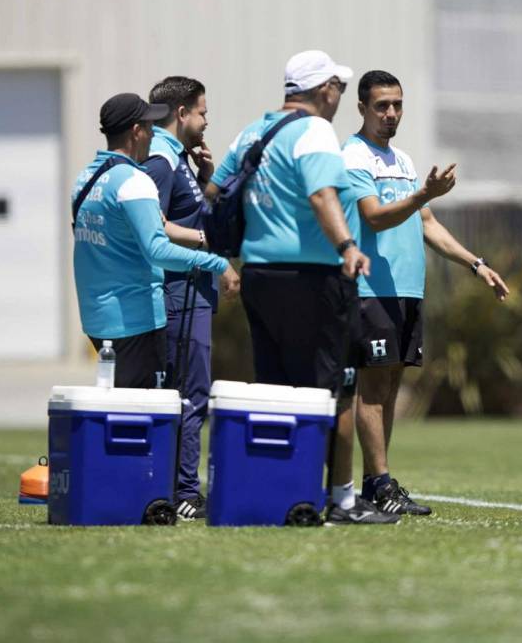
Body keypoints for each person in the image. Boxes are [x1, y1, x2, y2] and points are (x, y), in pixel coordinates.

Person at [206, 50, 397, 526]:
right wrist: (348, 245)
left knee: (277, 391)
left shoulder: (254, 131)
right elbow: (321, 194)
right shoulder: (313, 131)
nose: (338, 97)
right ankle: (341, 501)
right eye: (337, 87)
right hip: (311, 279)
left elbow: (215, 192)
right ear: (325, 89)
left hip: (260, 277)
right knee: (334, 391)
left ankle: (282, 493)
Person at [343, 70, 509, 516]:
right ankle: (378, 482)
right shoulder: (354, 156)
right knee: (374, 385)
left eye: (397, 104)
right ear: (361, 108)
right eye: (381, 105)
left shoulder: (403, 160)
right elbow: (374, 217)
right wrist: (422, 195)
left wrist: (476, 264)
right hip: (370, 288)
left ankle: (376, 482)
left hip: (406, 290)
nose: (391, 113)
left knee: (391, 385)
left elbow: (427, 223)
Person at [72, 92, 232, 388]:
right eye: (150, 128)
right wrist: (217, 263)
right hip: (134, 320)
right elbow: (157, 250)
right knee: (139, 418)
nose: (153, 134)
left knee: (118, 409)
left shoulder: (87, 178)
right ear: (137, 131)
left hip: (98, 319)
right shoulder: (134, 182)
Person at [144, 76, 240, 522]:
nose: (206, 120)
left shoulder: (180, 159)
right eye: (202, 112)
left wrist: (206, 176)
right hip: (180, 294)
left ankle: (177, 486)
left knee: (188, 392)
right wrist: (208, 242)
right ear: (181, 113)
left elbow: (187, 210)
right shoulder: (161, 160)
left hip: (192, 292)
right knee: (189, 394)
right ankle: (183, 491)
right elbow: (157, 226)